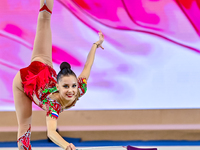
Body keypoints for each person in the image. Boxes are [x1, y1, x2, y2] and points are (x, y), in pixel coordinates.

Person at [12, 0, 104, 149]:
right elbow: (51, 132)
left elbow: (88, 65)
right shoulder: (53, 105)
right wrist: (67, 145)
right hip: (23, 81)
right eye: (66, 86)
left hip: (42, 67)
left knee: (44, 17)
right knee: (24, 131)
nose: (71, 90)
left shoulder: (79, 89)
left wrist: (96, 45)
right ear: (57, 86)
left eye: (73, 86)